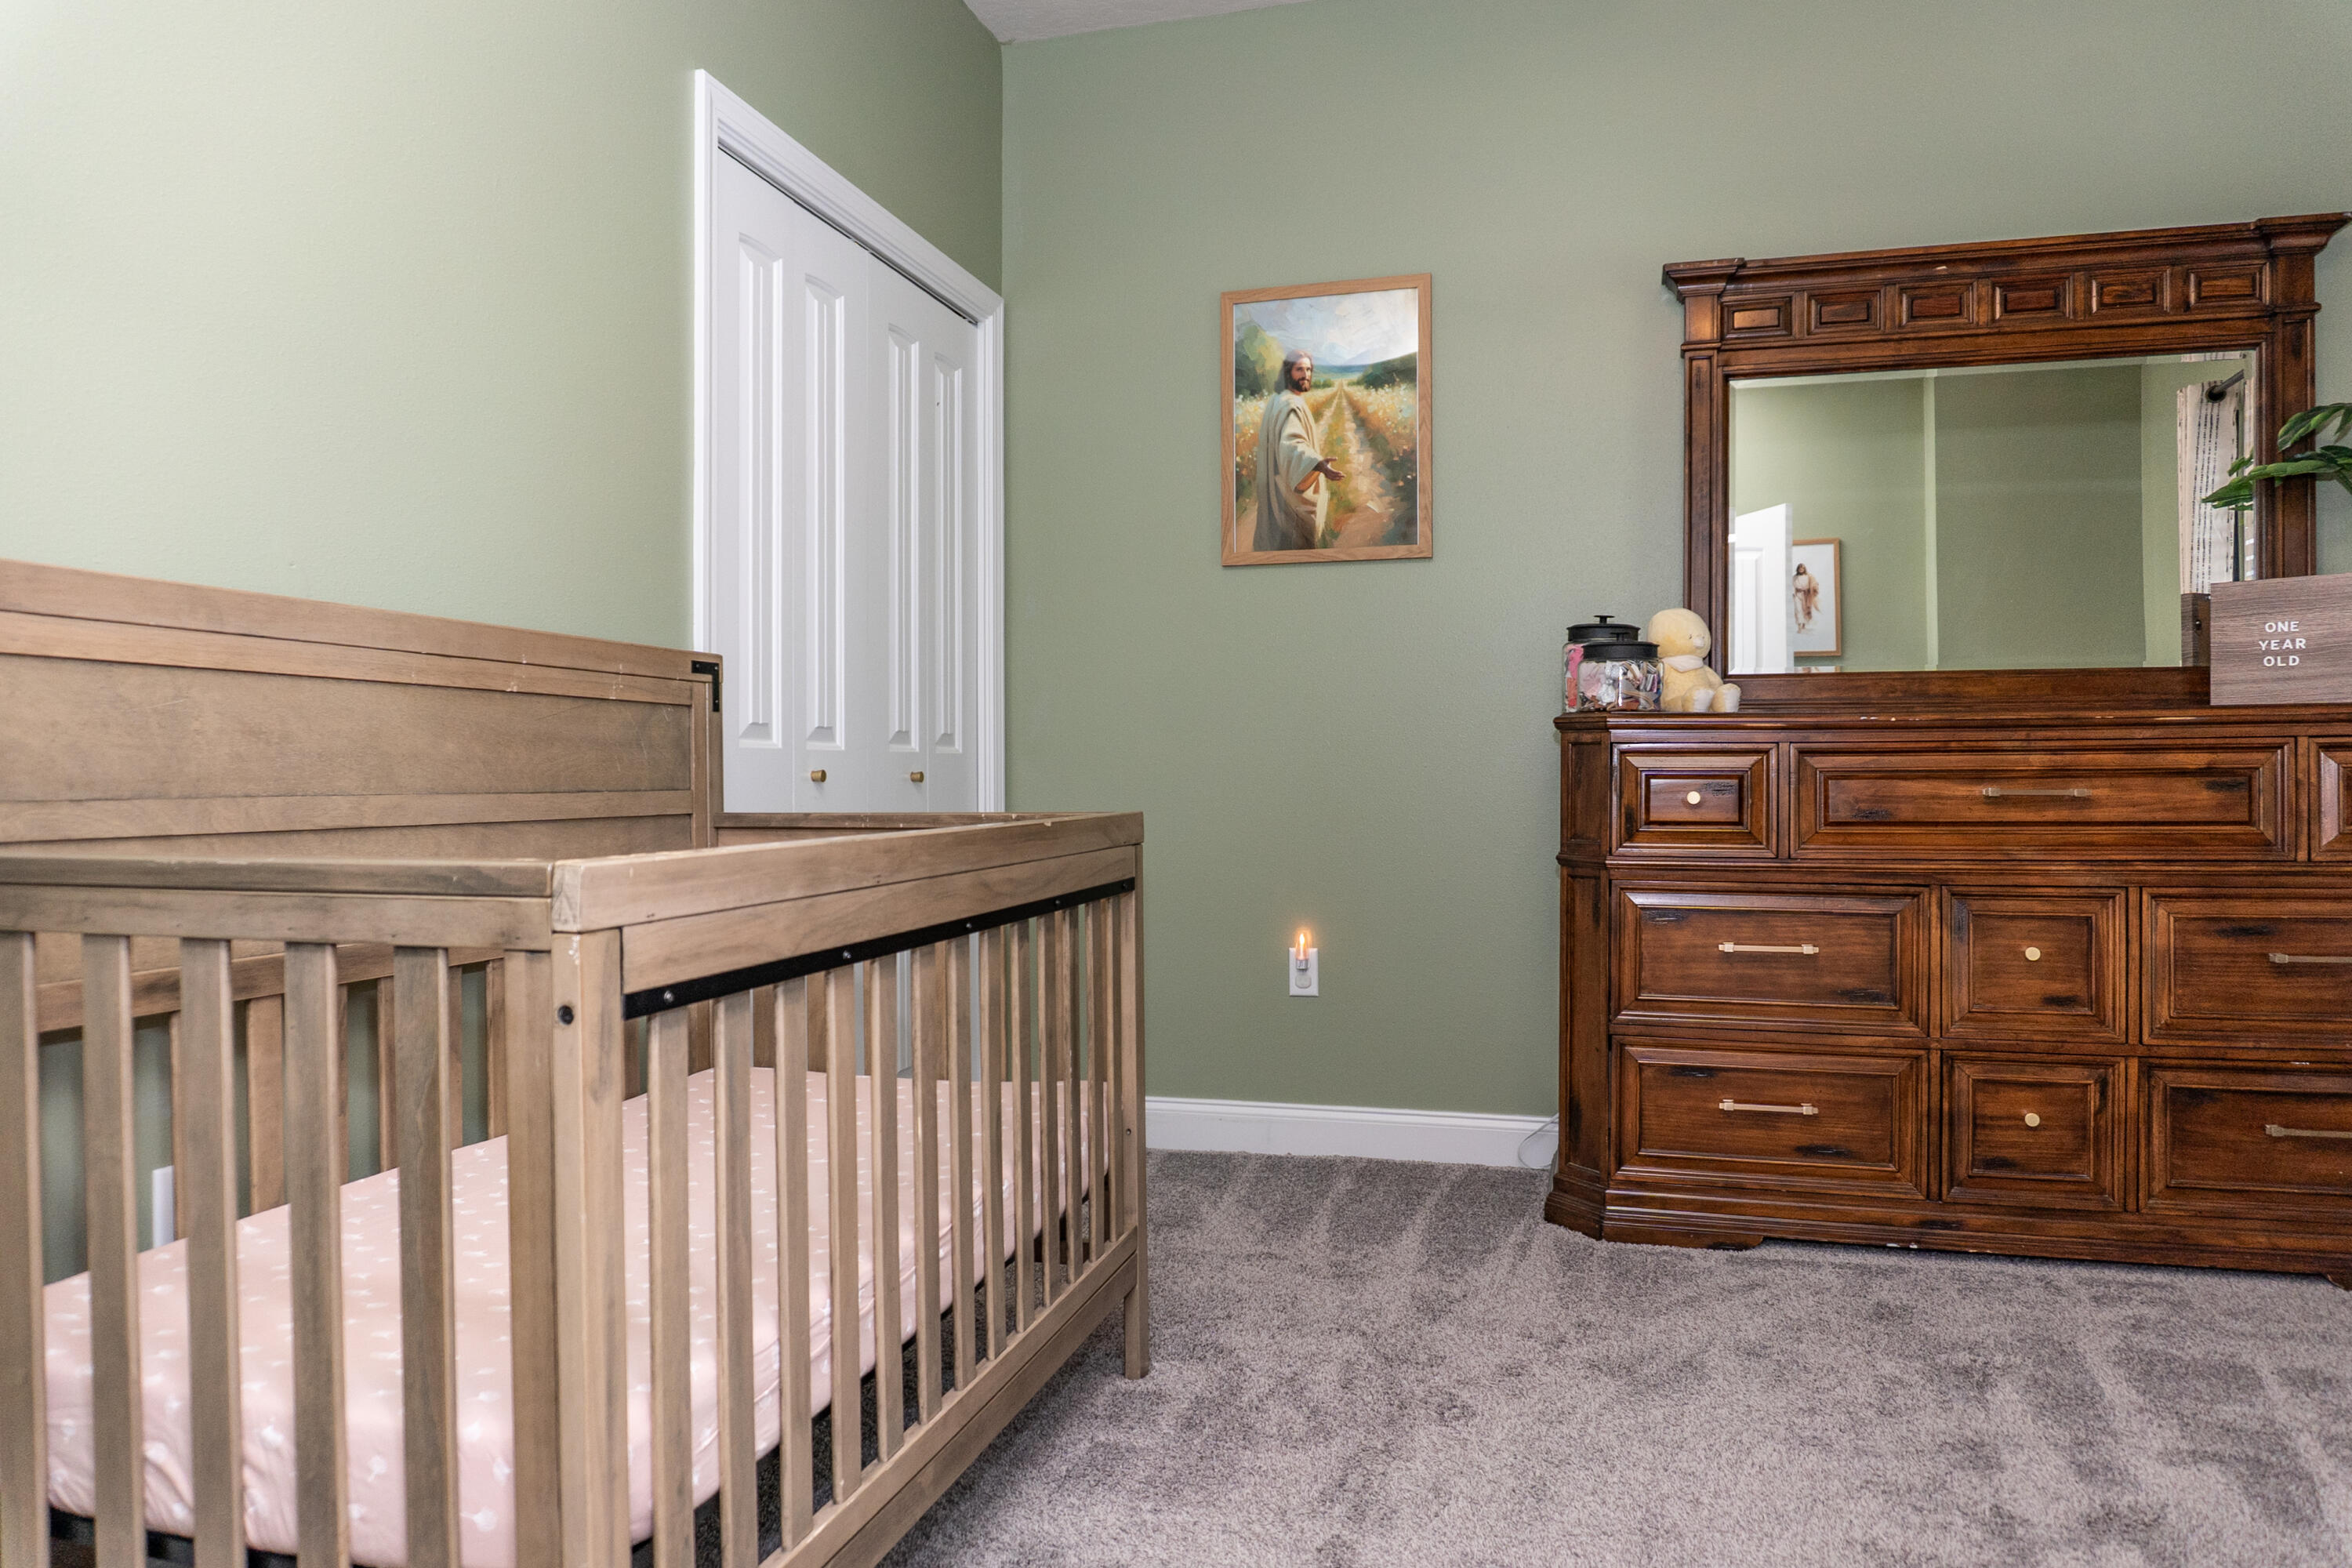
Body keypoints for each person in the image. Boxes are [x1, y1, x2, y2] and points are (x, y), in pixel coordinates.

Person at [1253, 348, 1345, 550]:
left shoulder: (1278, 400)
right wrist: (1317, 464)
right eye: (1299, 369)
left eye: (1309, 369)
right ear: (1288, 372)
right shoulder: (1290, 404)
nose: (1306, 375)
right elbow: (1292, 444)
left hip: (1278, 482)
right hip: (1286, 493)